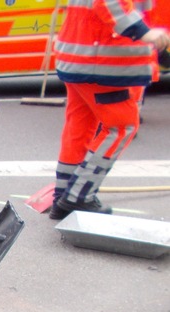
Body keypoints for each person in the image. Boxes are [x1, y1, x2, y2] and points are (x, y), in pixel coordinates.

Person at [49, 0, 170, 220]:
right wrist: (145, 33)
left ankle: (63, 194)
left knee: (80, 128)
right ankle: (77, 196)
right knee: (121, 128)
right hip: (103, 65)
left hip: (81, 59)